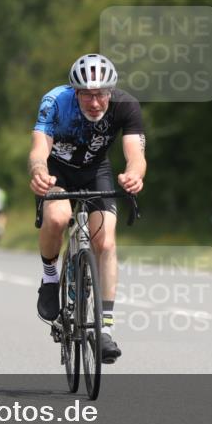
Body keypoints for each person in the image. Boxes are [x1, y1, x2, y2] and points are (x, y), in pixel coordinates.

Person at [28, 53, 146, 364]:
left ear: (111, 92)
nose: (95, 103)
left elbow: (136, 154)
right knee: (59, 216)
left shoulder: (126, 105)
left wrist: (134, 174)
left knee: (105, 241)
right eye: (87, 95)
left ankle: (105, 328)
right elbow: (40, 148)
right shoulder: (55, 102)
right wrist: (39, 171)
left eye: (101, 94)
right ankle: (50, 279)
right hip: (58, 172)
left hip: (97, 171)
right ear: (75, 92)